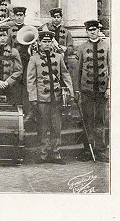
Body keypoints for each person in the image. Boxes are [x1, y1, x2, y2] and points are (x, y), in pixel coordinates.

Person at [27, 30, 74, 164]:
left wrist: (70, 90)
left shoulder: (58, 57)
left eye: (49, 42)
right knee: (43, 127)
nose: (47, 44)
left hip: (57, 97)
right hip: (42, 98)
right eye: (44, 42)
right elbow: (31, 80)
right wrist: (33, 98)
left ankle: (55, 153)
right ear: (39, 43)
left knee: (56, 127)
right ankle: (42, 154)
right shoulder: (34, 59)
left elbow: (65, 74)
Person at [74, 20, 110, 162]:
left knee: (100, 120)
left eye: (95, 29)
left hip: (102, 90)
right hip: (87, 90)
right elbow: (77, 71)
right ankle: (87, 150)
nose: (93, 32)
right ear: (87, 32)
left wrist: (109, 88)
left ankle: (101, 150)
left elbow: (112, 68)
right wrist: (77, 90)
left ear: (98, 30)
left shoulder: (106, 47)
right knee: (87, 119)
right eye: (90, 30)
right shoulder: (82, 48)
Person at [7, 7, 31, 119]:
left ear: (24, 16)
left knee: (26, 85)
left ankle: (27, 112)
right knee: (14, 85)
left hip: (26, 60)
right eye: (17, 15)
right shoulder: (10, 30)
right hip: (14, 61)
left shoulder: (29, 29)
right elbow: (7, 47)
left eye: (21, 15)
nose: (19, 17)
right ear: (14, 16)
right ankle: (15, 113)